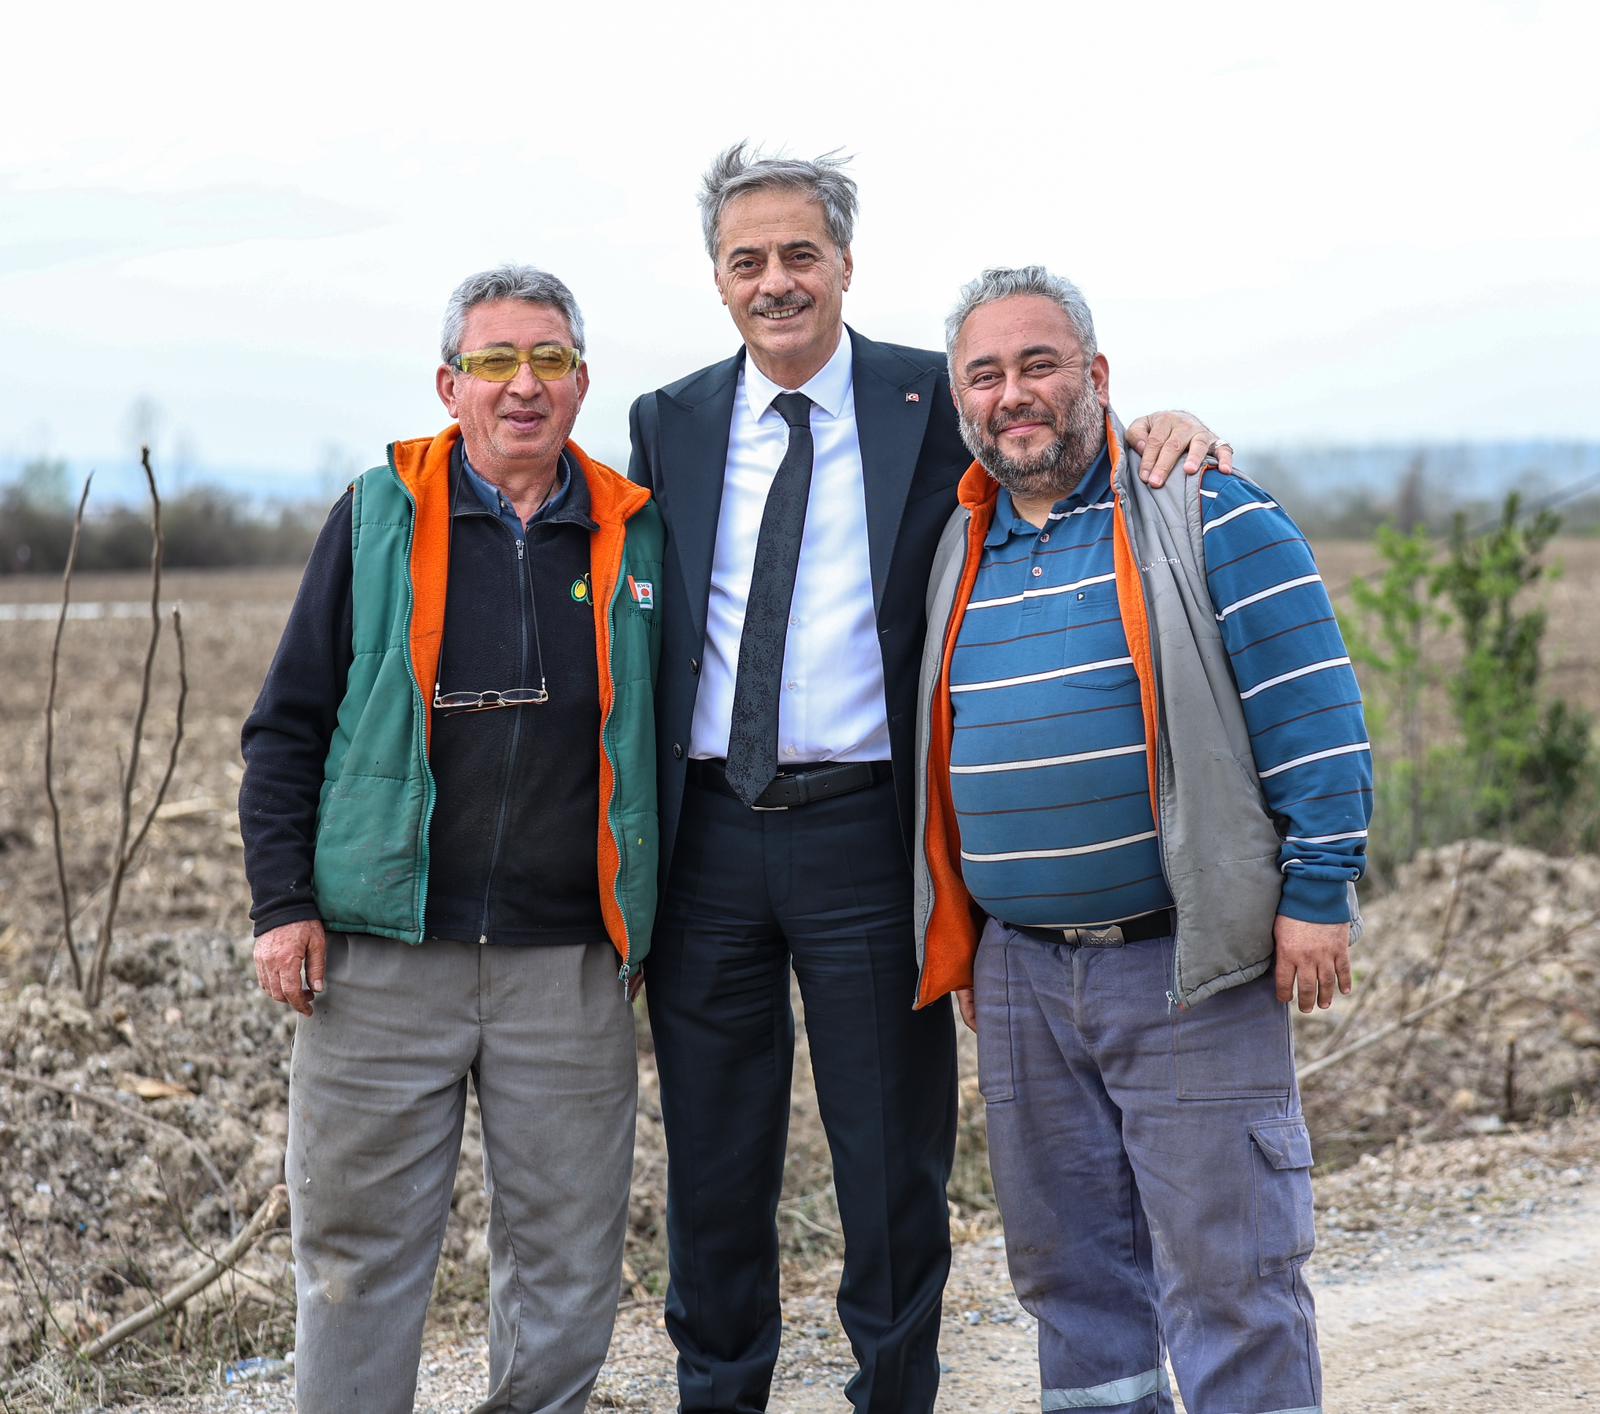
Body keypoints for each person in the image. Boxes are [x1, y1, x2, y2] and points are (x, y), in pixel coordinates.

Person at [627, 146, 1228, 1413]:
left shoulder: (924, 395)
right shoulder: (665, 418)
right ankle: (717, 1391)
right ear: (716, 279)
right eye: (750, 261)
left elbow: (1049, 434)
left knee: (890, 1156)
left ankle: (892, 1392)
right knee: (714, 1156)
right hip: (710, 842)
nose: (777, 282)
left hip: (867, 835)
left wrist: (1165, 424)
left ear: (846, 262)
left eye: (801, 254)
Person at [915, 264, 1371, 1414]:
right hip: (1019, 972)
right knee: (1072, 1281)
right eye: (985, 374)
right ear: (961, 399)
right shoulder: (957, 544)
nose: (1012, 393)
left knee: (1231, 1274)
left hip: (1181, 962)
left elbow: (1313, 708)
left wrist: (1319, 890)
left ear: (1097, 377)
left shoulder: (1205, 507)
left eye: (1038, 364)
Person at [238, 265, 663, 1414]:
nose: (522, 385)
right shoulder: (377, 515)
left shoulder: (636, 534)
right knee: (359, 1257)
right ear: (449, 383)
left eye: (549, 360)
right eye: (493, 362)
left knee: (569, 1267)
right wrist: (282, 904)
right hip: (381, 963)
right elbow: (285, 725)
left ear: (582, 381)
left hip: (566, 967)